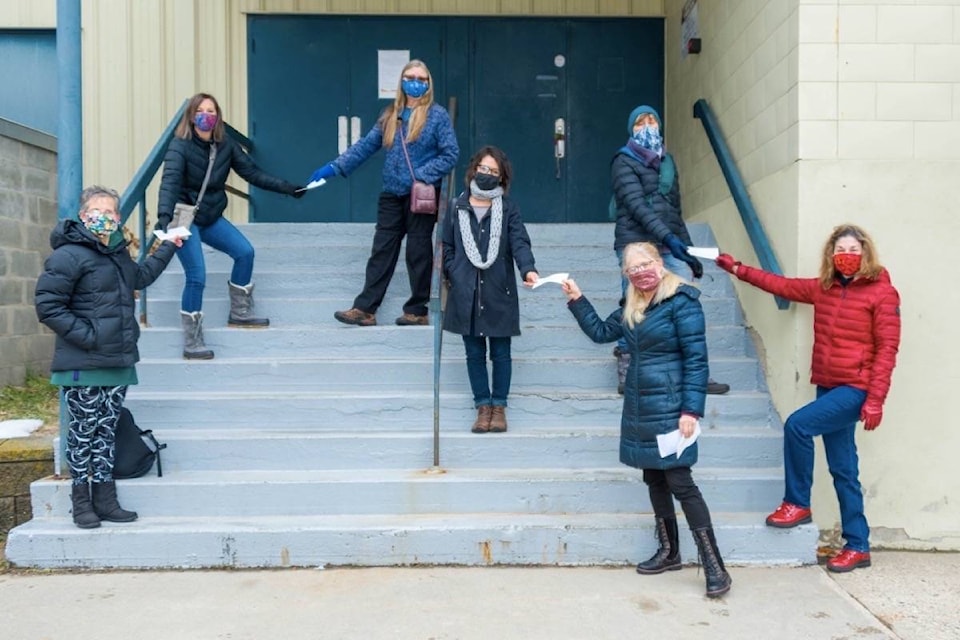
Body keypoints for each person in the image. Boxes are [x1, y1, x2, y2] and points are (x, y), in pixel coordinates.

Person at [715, 224, 901, 573]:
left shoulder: (883, 293)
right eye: (839, 249)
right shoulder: (825, 288)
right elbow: (781, 285)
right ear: (831, 255)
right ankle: (858, 545)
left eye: (852, 249)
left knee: (798, 425)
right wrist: (737, 268)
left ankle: (797, 503)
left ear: (865, 253)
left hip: (856, 388)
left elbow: (887, 349)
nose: (846, 255)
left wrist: (876, 399)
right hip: (828, 385)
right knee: (844, 469)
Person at [561, 242, 732, 598]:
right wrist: (577, 298)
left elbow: (697, 361)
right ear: (625, 274)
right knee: (654, 477)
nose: (639, 271)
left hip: (672, 407)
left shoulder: (682, 301)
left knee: (681, 482)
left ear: (659, 262)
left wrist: (690, 411)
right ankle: (669, 551)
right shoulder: (632, 303)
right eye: (631, 268)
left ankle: (714, 565)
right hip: (640, 405)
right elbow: (600, 333)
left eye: (645, 264)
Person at [35, 185, 180, 529]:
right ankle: (81, 502)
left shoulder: (118, 253)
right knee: (83, 435)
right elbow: (48, 305)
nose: (104, 217)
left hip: (117, 363)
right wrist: (89, 336)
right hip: (83, 365)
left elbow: (140, 277)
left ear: (118, 218)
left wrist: (169, 246)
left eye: (111, 212)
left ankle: (106, 499)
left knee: (105, 433)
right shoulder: (68, 255)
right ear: (83, 216)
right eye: (96, 211)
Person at [308, 59, 459, 327]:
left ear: (428, 84)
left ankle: (418, 310)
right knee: (382, 251)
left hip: (420, 195)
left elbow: (451, 154)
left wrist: (422, 175)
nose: (415, 82)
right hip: (391, 194)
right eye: (410, 76)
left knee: (418, 251)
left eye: (421, 78)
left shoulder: (437, 116)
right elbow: (366, 146)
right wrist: (334, 167)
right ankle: (365, 309)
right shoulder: (391, 114)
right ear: (401, 81)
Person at [157, 92, 305, 359]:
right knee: (196, 276)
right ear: (191, 116)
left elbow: (252, 172)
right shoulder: (179, 146)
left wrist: (287, 188)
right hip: (182, 217)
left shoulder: (225, 145)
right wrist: (164, 217)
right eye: (201, 110)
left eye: (212, 111)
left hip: (210, 215)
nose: (207, 116)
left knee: (244, 252)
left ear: (218, 116)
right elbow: (169, 182)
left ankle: (240, 312)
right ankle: (192, 340)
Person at [610, 104, 729, 396]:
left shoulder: (667, 162)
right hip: (636, 243)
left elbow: (674, 210)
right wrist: (670, 240)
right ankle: (628, 368)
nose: (648, 125)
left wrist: (687, 250)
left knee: (685, 307)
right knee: (635, 305)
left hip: (667, 242)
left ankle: (697, 373)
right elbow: (636, 206)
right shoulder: (622, 162)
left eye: (652, 119)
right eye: (640, 121)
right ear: (631, 128)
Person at [442, 146, 538, 433]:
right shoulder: (456, 206)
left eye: (494, 171)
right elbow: (446, 245)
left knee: (501, 353)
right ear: (473, 170)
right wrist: (455, 271)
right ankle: (482, 406)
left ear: (502, 177)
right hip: (465, 292)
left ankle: (499, 408)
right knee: (473, 353)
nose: (487, 174)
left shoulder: (508, 208)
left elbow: (519, 242)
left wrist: (528, 268)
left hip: (499, 289)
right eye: (483, 168)